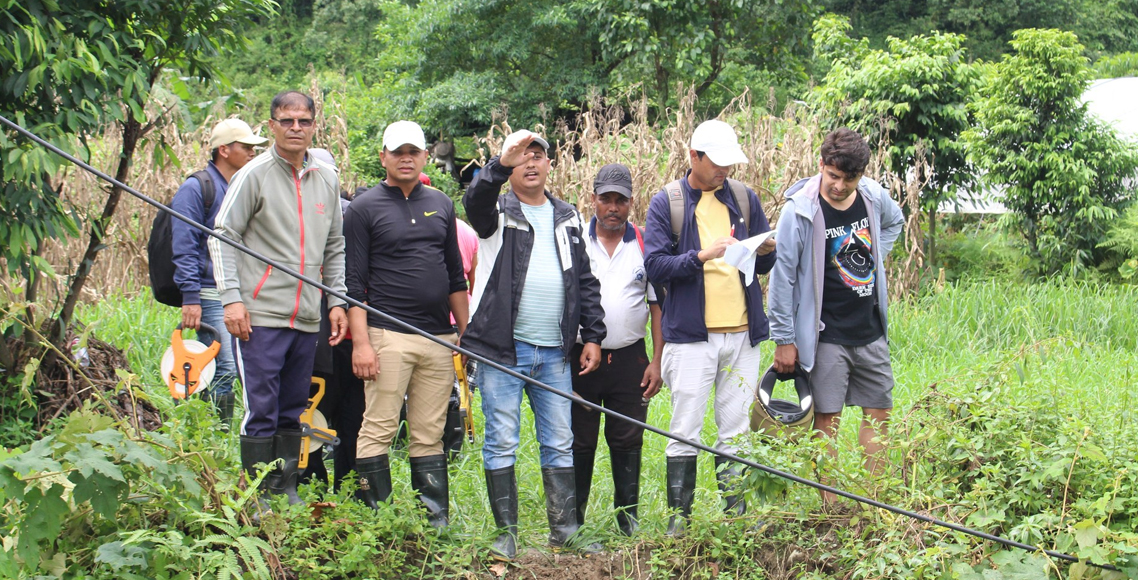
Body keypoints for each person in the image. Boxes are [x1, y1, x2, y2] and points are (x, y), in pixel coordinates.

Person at [462, 130, 606, 560]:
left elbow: (585, 281)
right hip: (504, 349)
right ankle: (506, 535)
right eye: (520, 157)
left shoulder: (568, 217)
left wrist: (593, 336)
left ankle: (564, 531)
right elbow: (474, 201)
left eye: (537, 155)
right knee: (502, 438)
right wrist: (497, 165)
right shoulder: (496, 212)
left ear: (548, 165)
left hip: (555, 352)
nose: (530, 163)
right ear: (510, 165)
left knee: (559, 440)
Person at [210, 90, 349, 507]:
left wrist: (336, 301)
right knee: (262, 407)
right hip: (259, 314)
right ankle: (256, 495)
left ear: (313, 126)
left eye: (303, 121)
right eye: (286, 121)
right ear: (271, 126)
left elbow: (335, 246)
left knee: (293, 406)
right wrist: (232, 300)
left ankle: (285, 488)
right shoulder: (253, 175)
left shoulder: (327, 178)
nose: (295, 129)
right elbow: (222, 236)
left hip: (307, 315)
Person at [642, 119, 777, 535]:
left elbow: (762, 264)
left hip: (742, 334)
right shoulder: (668, 203)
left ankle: (735, 517)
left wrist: (768, 250)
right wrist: (701, 256)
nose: (724, 171)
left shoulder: (743, 198)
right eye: (716, 162)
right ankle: (678, 521)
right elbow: (654, 265)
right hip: (691, 338)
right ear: (693, 157)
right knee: (685, 427)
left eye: (729, 163)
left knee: (735, 430)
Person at [767, 128, 904, 503]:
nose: (839, 186)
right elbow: (783, 277)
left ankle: (874, 499)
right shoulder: (800, 211)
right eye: (833, 176)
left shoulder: (873, 197)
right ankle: (833, 508)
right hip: (826, 334)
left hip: (871, 330)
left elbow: (895, 222)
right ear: (822, 165)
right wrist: (783, 338)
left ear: (860, 176)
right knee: (827, 422)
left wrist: (874, 256)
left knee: (879, 415)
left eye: (849, 179)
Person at [344, 120, 468, 528]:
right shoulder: (364, 208)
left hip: (438, 337)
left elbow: (454, 275)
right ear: (383, 157)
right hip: (387, 334)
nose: (406, 158)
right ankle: (376, 523)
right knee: (377, 427)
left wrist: (465, 334)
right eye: (397, 152)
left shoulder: (442, 203)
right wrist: (361, 343)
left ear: (425, 156)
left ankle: (435, 524)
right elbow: (353, 285)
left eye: (413, 151)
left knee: (429, 433)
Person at [571, 163, 663, 537]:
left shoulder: (644, 243)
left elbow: (657, 307)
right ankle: (572, 522)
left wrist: (657, 360)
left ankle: (627, 522)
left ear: (630, 203)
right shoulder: (575, 239)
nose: (613, 207)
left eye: (620, 201)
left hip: (630, 358)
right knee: (579, 438)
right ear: (593, 199)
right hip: (580, 357)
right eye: (605, 199)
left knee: (628, 438)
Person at [171, 118, 268, 427]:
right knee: (225, 365)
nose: (253, 152)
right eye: (246, 147)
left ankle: (208, 427)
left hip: (240, 291)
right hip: (209, 290)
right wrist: (190, 296)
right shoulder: (197, 188)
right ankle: (215, 433)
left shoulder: (240, 186)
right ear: (224, 150)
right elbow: (184, 243)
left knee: (233, 366)